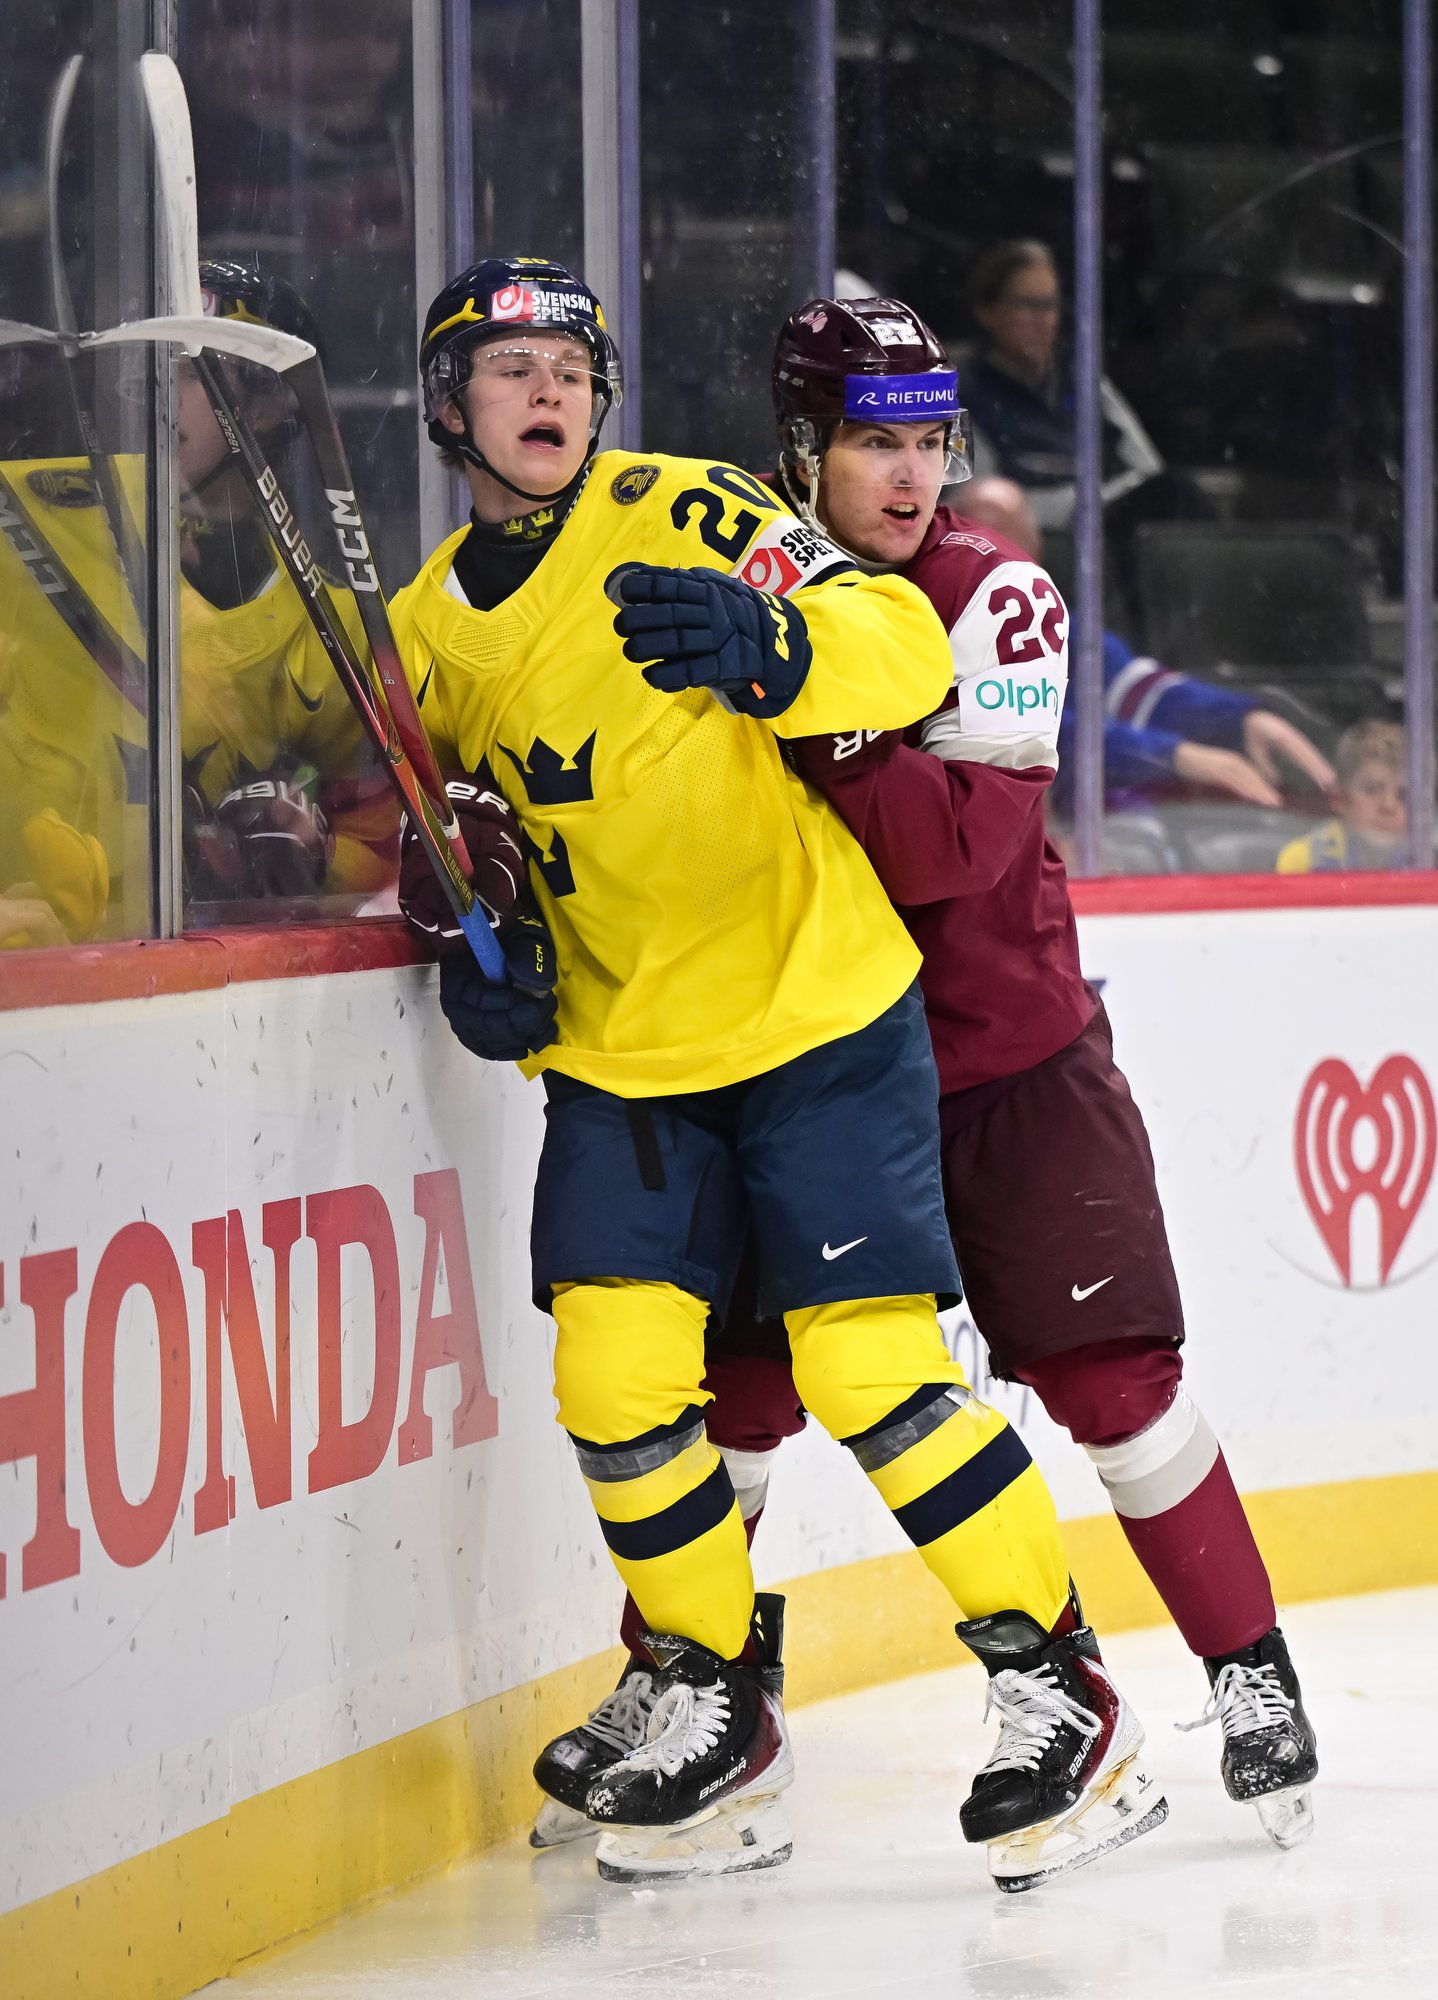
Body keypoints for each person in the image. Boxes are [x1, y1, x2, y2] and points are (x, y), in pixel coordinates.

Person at [391, 255, 1159, 1891]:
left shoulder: (684, 509)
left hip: (817, 1018)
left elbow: (894, 643)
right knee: (612, 1385)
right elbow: (426, 828)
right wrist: (462, 930)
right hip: (623, 1060)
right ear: (448, 409)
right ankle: (716, 1702)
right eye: (511, 370)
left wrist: (770, 644)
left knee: (870, 1370)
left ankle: (1061, 1689)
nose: (548, 391)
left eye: (571, 367)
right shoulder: (423, 630)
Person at [522, 294, 1318, 1862]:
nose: (909, 477)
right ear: (797, 449)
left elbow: (956, 849)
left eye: (930, 444)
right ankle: (696, 1689)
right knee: (732, 1396)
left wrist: (791, 701)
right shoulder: (733, 573)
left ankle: (1249, 1672)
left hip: (1001, 1065)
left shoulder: (992, 594)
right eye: (872, 443)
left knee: (1111, 1386)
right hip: (793, 1059)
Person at [0, 260, 395, 947]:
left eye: (189, 370)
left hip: (169, 977)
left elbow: (380, 837)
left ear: (269, 403)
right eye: (149, 365)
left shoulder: (323, 624)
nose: (157, 390)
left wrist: (315, 854)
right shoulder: (36, 504)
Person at [958, 477, 1336, 818]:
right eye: (978, 547)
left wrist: (1240, 719)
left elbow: (1137, 690)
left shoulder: (1057, 626)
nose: (994, 565)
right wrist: (1175, 755)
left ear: (1036, 555)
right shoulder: (934, 636)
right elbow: (1034, 729)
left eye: (1009, 548)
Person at [961, 240, 1163, 533]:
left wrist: (1117, 503)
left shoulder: (1085, 384)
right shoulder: (964, 398)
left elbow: (1149, 471)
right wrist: (1085, 508)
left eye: (1049, 305)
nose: (1042, 320)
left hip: (1116, 535)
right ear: (987, 312)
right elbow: (984, 508)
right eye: (1027, 305)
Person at [1278, 719, 1415, 873]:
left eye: (1403, 796)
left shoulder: (1428, 862)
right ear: (1339, 799)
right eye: (1371, 790)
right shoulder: (1303, 861)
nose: (1388, 806)